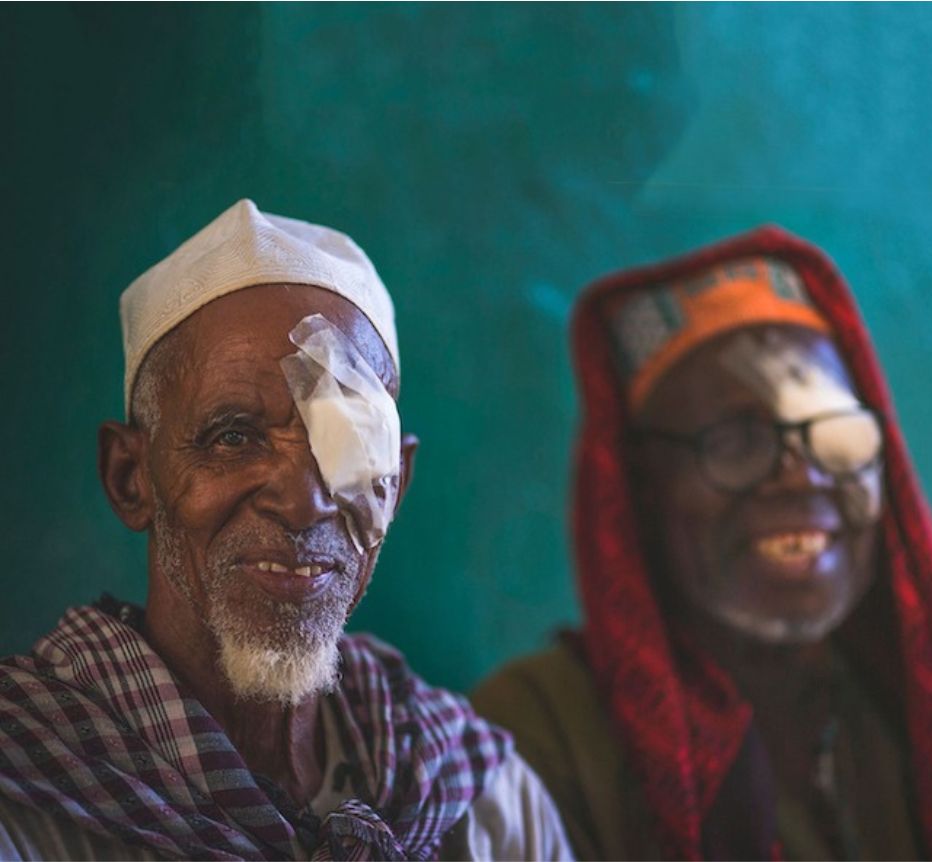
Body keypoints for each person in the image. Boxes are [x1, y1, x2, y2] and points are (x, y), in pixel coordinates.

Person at [472, 226, 932, 860]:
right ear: (641, 489)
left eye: (838, 434)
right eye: (736, 441)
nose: (803, 473)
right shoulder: (534, 737)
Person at [0, 200, 573, 861]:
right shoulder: (27, 797)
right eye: (234, 436)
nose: (305, 504)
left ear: (396, 484)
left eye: (350, 444)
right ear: (132, 478)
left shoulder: (480, 800)